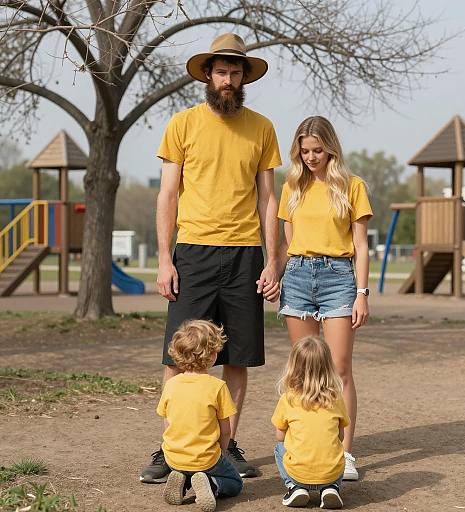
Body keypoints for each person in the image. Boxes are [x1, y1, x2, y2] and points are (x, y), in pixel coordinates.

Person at [140, 32, 282, 484]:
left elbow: (269, 200)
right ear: (207, 75)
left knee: (237, 355)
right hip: (193, 253)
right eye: (220, 71)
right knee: (177, 357)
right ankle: (172, 445)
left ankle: (224, 448)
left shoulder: (261, 127)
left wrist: (273, 260)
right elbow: (167, 194)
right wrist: (165, 259)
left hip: (244, 254)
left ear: (244, 77)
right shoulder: (182, 124)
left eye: (235, 71)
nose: (228, 78)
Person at [277, 116, 373, 481]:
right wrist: (276, 275)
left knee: (340, 368)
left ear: (331, 148)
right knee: (304, 370)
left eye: (318, 150)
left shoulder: (352, 186)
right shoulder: (292, 186)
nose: (312, 157)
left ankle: (344, 453)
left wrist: (362, 294)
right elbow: (289, 244)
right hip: (299, 276)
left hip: (339, 278)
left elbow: (361, 247)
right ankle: (304, 449)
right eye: (305, 151)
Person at [158, 320, 243, 512]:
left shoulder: (171, 385)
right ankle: (212, 485)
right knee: (235, 482)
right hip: (206, 459)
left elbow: (167, 423)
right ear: (212, 355)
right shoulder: (217, 387)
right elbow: (225, 429)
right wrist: (221, 452)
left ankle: (182, 477)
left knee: (188, 467)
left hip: (173, 456)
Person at [271, 336, 350, 509]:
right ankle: (331, 487)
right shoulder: (336, 399)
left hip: (298, 472)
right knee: (337, 448)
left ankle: (295, 487)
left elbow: (279, 436)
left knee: (279, 448)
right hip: (331, 472)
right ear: (328, 367)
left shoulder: (288, 399)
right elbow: (341, 435)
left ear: (293, 366)